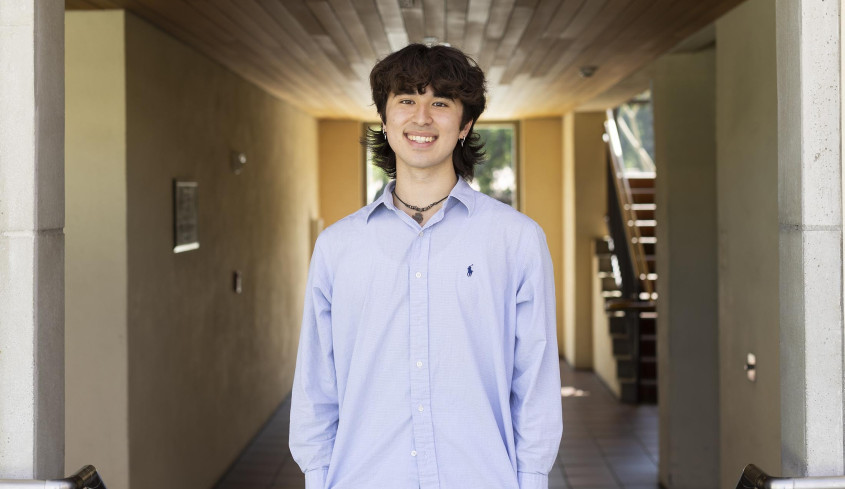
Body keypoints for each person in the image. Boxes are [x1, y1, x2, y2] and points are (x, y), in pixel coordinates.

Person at [290, 43, 562, 489]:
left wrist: (531, 480)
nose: (421, 118)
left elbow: (534, 383)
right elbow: (316, 385)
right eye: (406, 101)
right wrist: (317, 479)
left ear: (465, 124)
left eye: (440, 102)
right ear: (384, 118)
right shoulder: (337, 247)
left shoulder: (516, 240)